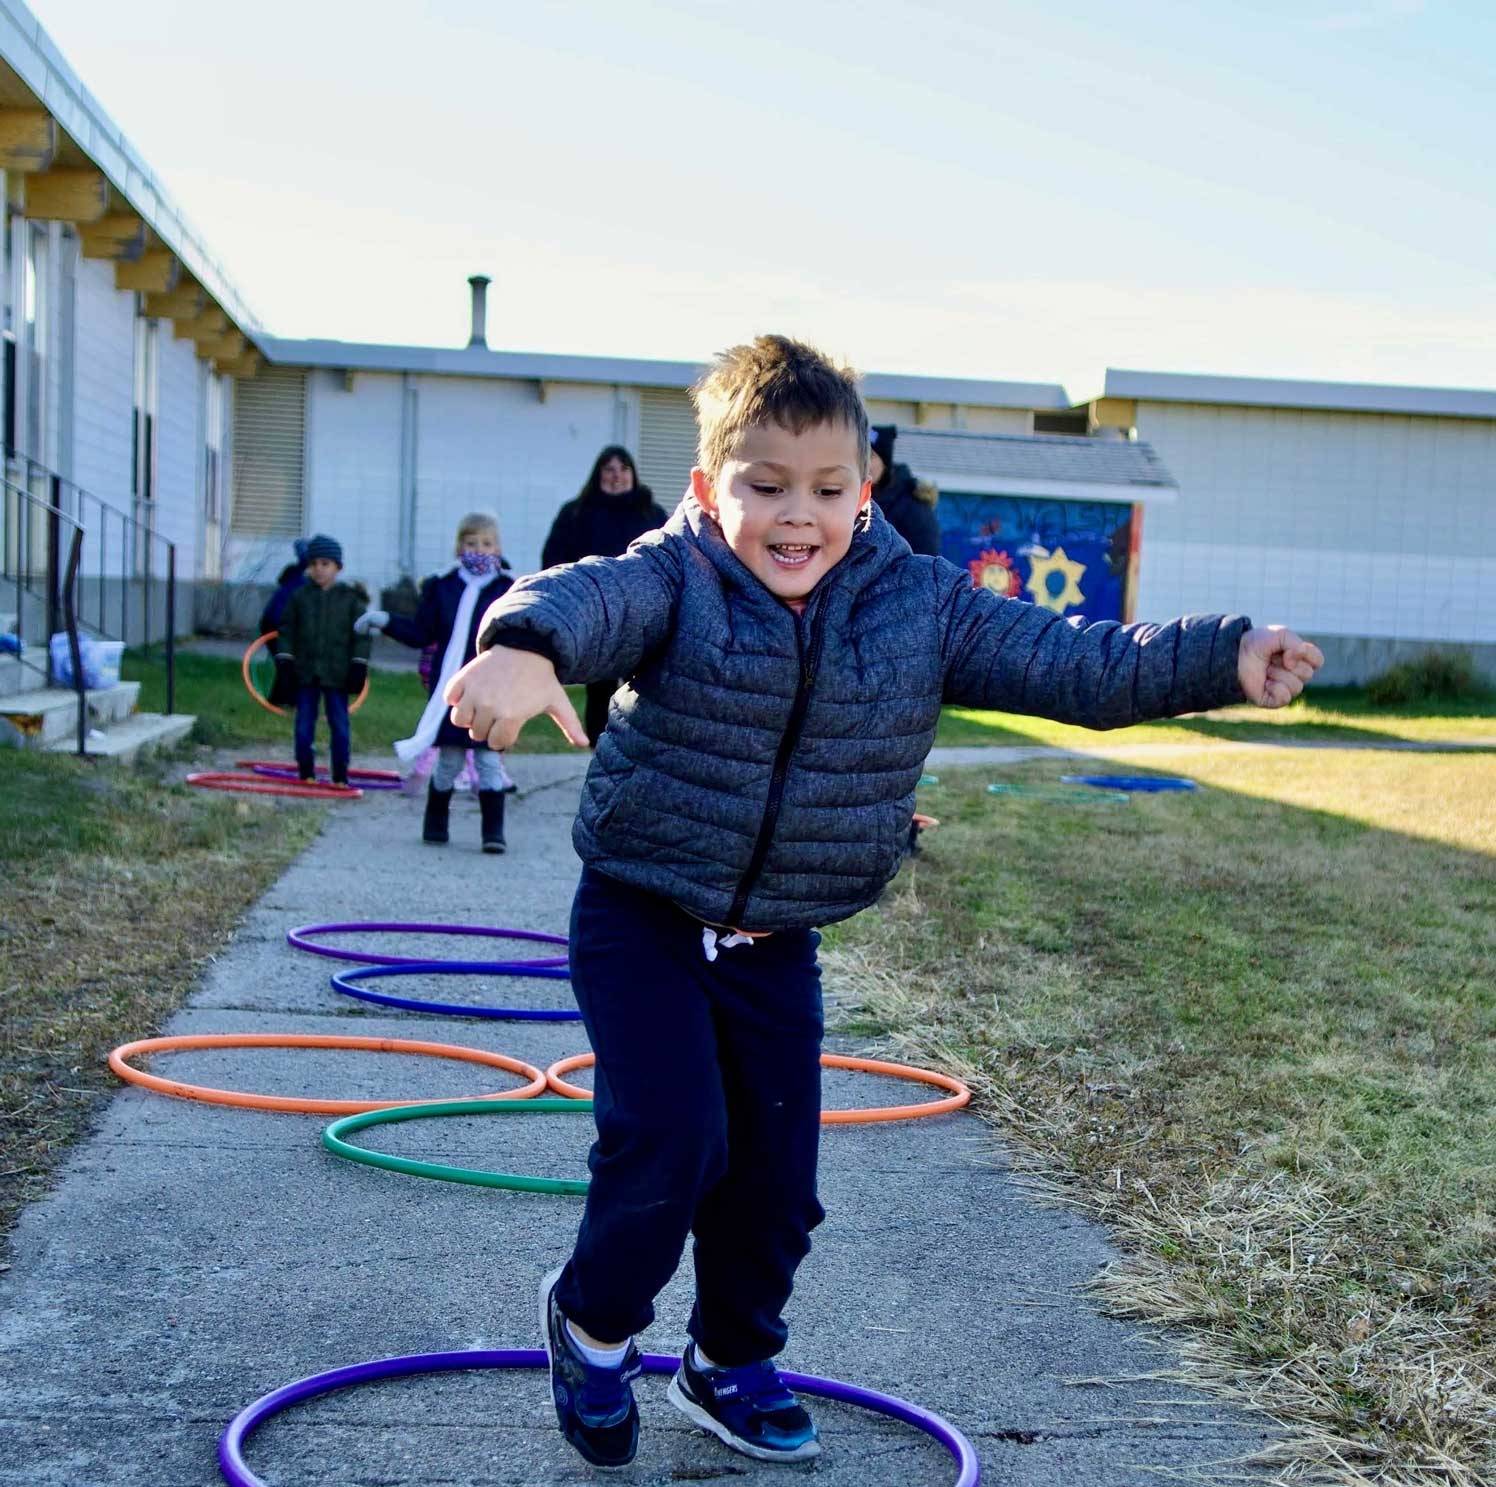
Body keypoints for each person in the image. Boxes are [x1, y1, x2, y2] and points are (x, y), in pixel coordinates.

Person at [445, 335, 1322, 1471]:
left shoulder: (921, 605)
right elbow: (584, 596)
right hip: (643, 913)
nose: (796, 516)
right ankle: (594, 1322)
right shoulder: (675, 574)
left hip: (775, 940)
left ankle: (727, 1363)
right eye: (765, 487)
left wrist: (1222, 658)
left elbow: (1078, 664)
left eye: (826, 488)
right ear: (711, 491)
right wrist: (523, 646)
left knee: (776, 1183)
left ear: (866, 491)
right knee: (673, 1135)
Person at [355, 513, 516, 852]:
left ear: (498, 548)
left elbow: (517, 638)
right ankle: (435, 825)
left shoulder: (508, 590)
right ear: (459, 546)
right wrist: (385, 621)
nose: (479, 549)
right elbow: (421, 632)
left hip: (489, 692)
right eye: (471, 543)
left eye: (486, 544)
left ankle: (493, 833)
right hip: (453, 692)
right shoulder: (442, 586)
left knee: (488, 762)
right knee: (450, 762)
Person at [540, 445, 669, 744]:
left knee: (644, 688)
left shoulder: (650, 512)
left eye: (623, 470)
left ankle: (638, 747)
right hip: (595, 613)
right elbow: (555, 562)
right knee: (599, 688)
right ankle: (598, 748)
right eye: (609, 470)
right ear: (598, 475)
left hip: (642, 612)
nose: (617, 476)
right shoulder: (576, 513)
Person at [274, 534, 369, 786]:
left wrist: (359, 664)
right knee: (304, 726)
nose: (319, 569)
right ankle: (306, 772)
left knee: (339, 726)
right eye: (314, 563)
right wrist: (285, 661)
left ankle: (340, 774)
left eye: (325, 564)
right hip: (306, 674)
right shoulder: (299, 597)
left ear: (338, 567)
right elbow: (286, 631)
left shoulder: (350, 600)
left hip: (338, 675)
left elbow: (362, 635)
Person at [867, 424, 941, 557]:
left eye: (871, 455)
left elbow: (927, 562)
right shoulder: (853, 500)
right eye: (860, 454)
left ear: (885, 462)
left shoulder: (914, 507)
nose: (864, 462)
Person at [259, 538, 309, 707]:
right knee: (288, 663)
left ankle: (284, 701)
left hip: (277, 623)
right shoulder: (302, 577)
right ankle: (282, 701)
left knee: (290, 663)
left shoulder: (296, 574)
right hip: (275, 623)